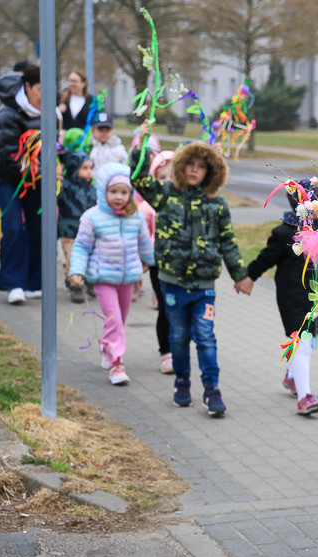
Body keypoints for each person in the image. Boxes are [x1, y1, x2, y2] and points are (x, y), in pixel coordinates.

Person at [131, 126, 251, 416]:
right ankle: (182, 382)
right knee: (180, 337)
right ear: (181, 167)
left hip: (204, 287)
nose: (195, 170)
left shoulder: (217, 204)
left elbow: (228, 243)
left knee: (206, 336)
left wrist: (240, 275)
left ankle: (212, 389)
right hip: (172, 283)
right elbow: (138, 178)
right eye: (190, 165)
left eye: (201, 167)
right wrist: (142, 145)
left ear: (210, 171)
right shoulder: (166, 195)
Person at [238, 178, 318, 416]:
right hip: (292, 299)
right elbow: (265, 258)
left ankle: (292, 377)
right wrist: (248, 277)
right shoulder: (284, 232)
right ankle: (305, 398)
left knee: (312, 338)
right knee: (302, 345)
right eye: (313, 204)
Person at [68, 163, 154, 385]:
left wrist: (151, 262)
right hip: (103, 278)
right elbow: (81, 247)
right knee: (114, 319)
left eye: (124, 192)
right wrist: (77, 271)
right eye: (113, 191)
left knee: (119, 320)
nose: (118, 197)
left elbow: (145, 243)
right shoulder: (92, 217)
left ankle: (106, 346)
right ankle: (117, 364)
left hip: (128, 279)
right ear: (103, 191)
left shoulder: (135, 217)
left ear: (131, 193)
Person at [0, 66, 43, 304]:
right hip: (7, 179)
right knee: (14, 228)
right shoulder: (7, 115)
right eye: (40, 89)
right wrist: (27, 166)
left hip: (35, 180)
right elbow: (1, 154)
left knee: (38, 228)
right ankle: (13, 283)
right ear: (27, 87)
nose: (44, 95)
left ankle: (33, 282)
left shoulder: (43, 113)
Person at [134, 149, 175, 374]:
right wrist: (144, 259)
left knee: (179, 309)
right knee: (165, 307)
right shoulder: (147, 209)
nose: (167, 182)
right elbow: (143, 236)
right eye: (161, 178)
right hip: (158, 263)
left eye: (172, 177)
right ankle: (166, 352)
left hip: (181, 264)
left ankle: (179, 345)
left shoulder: (185, 204)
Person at [57, 150, 97, 303]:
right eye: (84, 168)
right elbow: (57, 198)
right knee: (72, 258)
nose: (89, 172)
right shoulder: (65, 187)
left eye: (90, 168)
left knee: (91, 256)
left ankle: (90, 280)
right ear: (74, 168)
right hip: (69, 230)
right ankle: (75, 285)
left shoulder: (91, 189)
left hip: (88, 232)